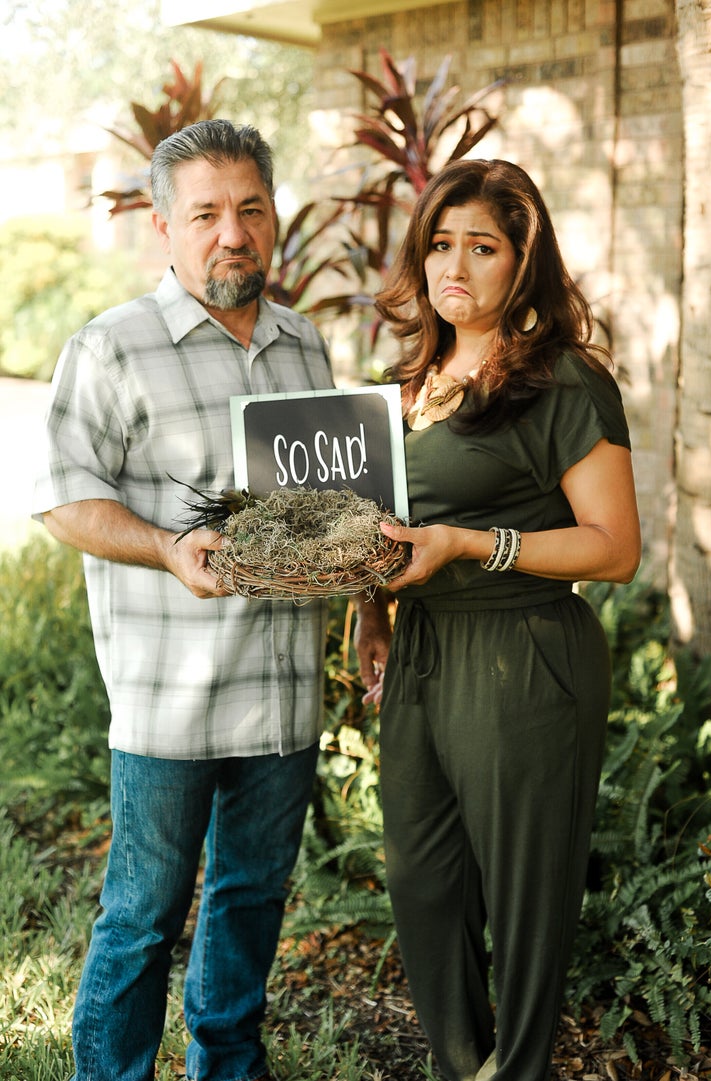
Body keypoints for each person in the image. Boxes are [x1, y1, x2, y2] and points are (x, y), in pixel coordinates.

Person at [32, 119, 389, 1081]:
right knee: (144, 915)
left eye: (250, 209)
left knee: (251, 899)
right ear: (164, 227)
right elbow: (64, 500)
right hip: (168, 703)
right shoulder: (109, 349)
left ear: (273, 218)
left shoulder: (303, 346)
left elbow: (337, 512)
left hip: (281, 697)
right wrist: (163, 545)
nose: (232, 232)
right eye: (205, 214)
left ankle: (227, 1067)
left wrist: (371, 606)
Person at [363, 158, 642, 1081]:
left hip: (524, 653)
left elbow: (614, 548)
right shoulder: (407, 382)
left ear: (522, 263)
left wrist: (473, 543)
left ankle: (516, 1069)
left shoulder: (562, 383)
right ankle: (463, 1064)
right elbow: (387, 523)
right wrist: (371, 605)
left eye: (481, 247)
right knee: (423, 879)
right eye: (440, 244)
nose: (455, 266)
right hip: (423, 655)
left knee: (525, 896)